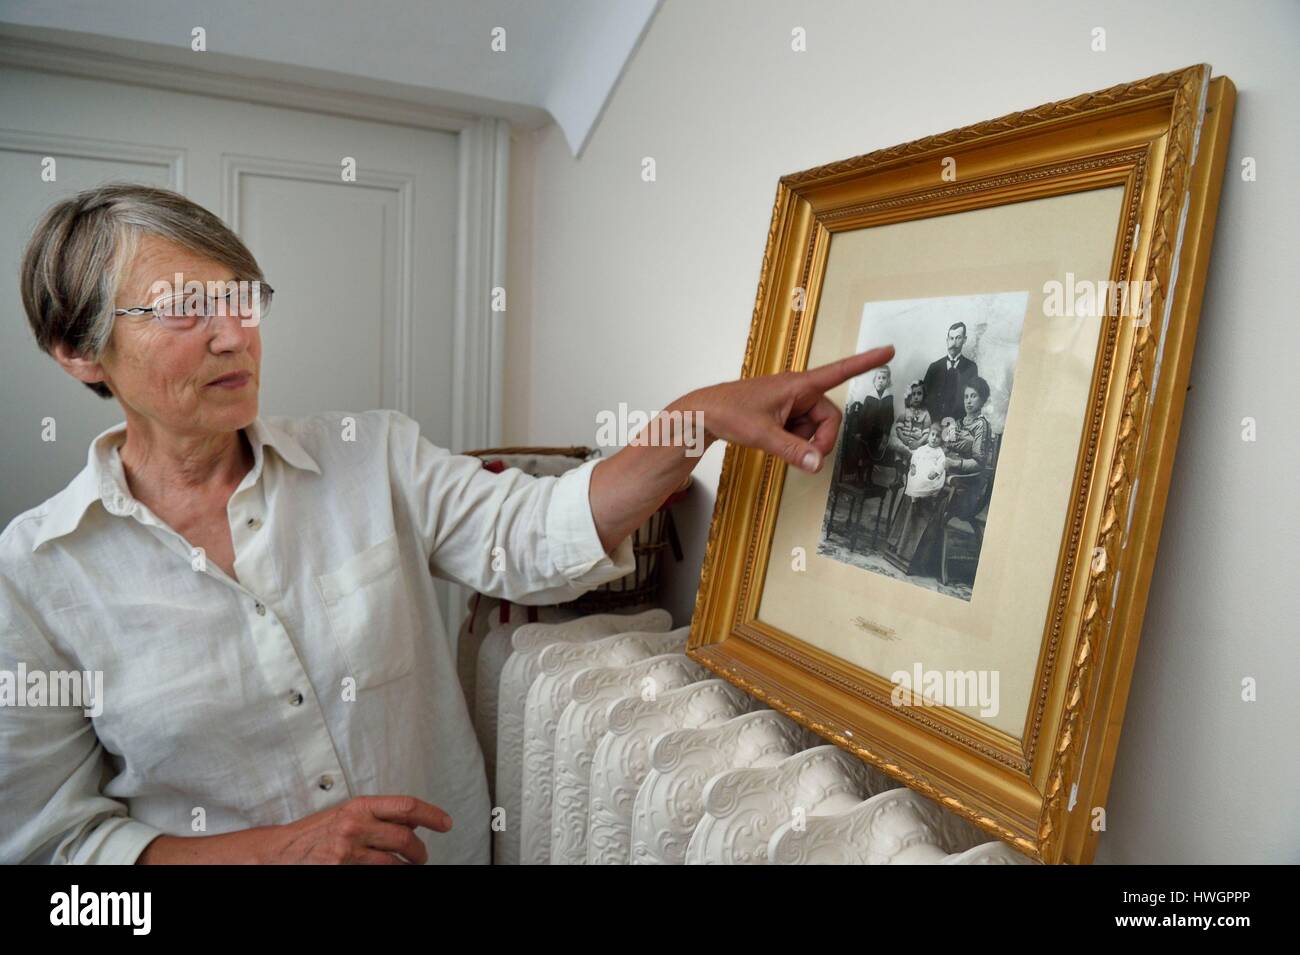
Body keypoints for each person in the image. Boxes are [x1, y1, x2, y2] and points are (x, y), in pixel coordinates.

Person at [0, 183, 894, 864]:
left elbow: (538, 533)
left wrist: (693, 417)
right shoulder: (35, 575)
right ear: (79, 351)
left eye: (241, 297)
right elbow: (61, 865)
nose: (234, 333)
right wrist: (285, 850)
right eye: (185, 309)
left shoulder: (371, 455)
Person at [921, 321, 978, 424]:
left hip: (958, 424)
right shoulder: (934, 367)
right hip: (933, 424)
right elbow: (923, 396)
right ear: (947, 340)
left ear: (964, 340)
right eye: (951, 338)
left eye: (958, 338)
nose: (953, 343)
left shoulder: (971, 368)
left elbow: (972, 399)